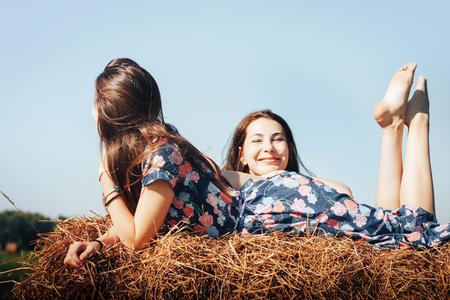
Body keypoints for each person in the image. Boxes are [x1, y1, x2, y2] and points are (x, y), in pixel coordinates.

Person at [221, 63, 449, 248]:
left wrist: (283, 176)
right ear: (241, 155)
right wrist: (270, 179)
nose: (269, 147)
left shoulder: (294, 183)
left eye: (277, 139)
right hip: (357, 235)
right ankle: (409, 123)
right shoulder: (230, 181)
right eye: (257, 140)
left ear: (289, 149)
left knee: (403, 222)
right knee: (416, 228)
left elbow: (343, 192)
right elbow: (217, 175)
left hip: (357, 226)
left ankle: (399, 126)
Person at [64, 58, 239, 268]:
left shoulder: (161, 155)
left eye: (95, 100)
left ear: (108, 110)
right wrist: (98, 243)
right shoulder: (147, 149)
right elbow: (140, 218)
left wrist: (106, 180)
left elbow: (136, 240)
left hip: (250, 225)